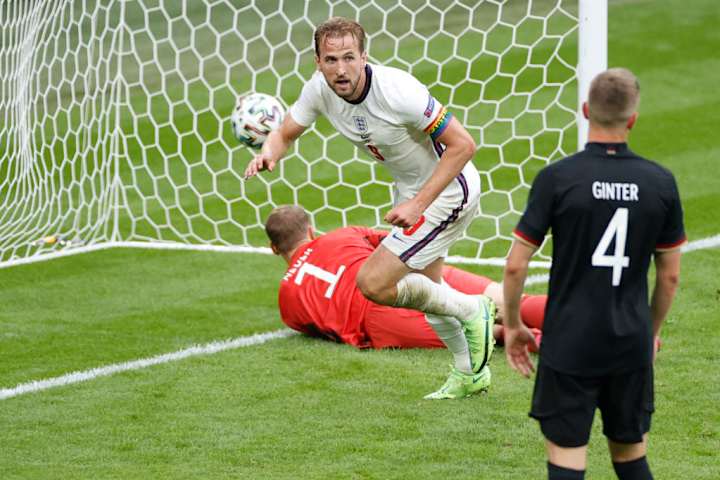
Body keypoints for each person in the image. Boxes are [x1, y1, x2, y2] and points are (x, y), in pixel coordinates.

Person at [245, 17, 494, 399]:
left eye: (349, 57)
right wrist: (268, 153)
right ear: (317, 61)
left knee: (373, 283)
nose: (341, 69)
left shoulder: (398, 91)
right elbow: (284, 132)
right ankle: (469, 374)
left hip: (448, 188)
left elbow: (463, 145)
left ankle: (473, 309)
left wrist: (418, 203)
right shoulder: (319, 91)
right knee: (430, 291)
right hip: (411, 190)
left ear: (364, 56)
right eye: (331, 59)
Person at [502, 68, 685, 480]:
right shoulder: (660, 183)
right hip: (629, 343)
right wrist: (648, 333)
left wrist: (514, 326)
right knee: (631, 459)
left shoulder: (558, 179)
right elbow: (669, 277)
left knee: (567, 462)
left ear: (586, 111)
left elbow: (516, 265)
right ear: (633, 119)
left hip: (569, 342)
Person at [265, 205, 547, 398]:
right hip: (410, 274)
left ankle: (574, 346)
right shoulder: (344, 234)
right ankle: (585, 318)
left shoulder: (286, 299)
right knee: (511, 303)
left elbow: (322, 328)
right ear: (312, 231)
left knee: (497, 332)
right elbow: (396, 244)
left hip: (381, 318)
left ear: (274, 248)